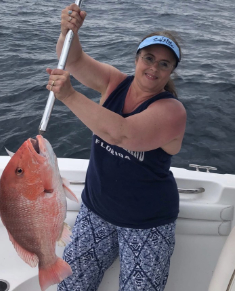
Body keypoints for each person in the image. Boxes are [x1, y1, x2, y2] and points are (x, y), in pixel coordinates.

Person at [46, 3, 186, 291]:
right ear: (136, 59)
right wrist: (68, 31)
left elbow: (121, 135)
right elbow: (73, 60)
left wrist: (70, 96)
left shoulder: (173, 111)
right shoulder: (114, 82)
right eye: (149, 58)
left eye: (164, 64)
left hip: (147, 222)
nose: (154, 68)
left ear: (171, 72)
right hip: (96, 209)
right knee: (71, 285)